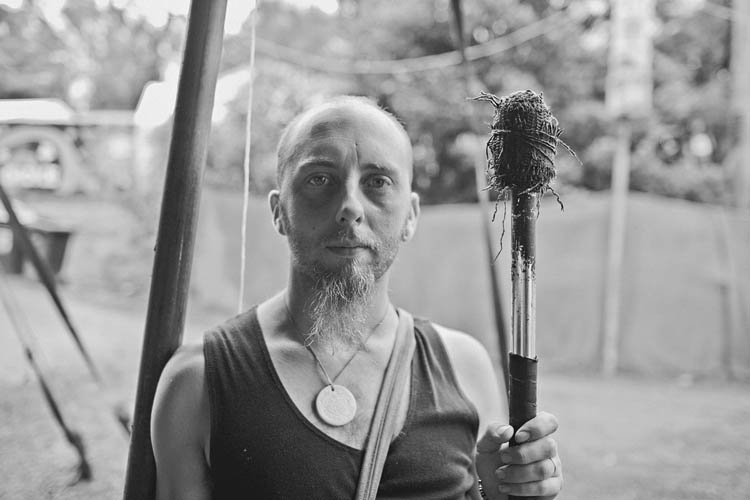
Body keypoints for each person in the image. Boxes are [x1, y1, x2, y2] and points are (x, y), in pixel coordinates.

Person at [151, 95, 563, 500]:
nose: (350, 206)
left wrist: (499, 494)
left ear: (411, 215)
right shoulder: (199, 382)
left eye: (377, 182)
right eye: (319, 179)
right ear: (279, 210)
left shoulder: (464, 369)